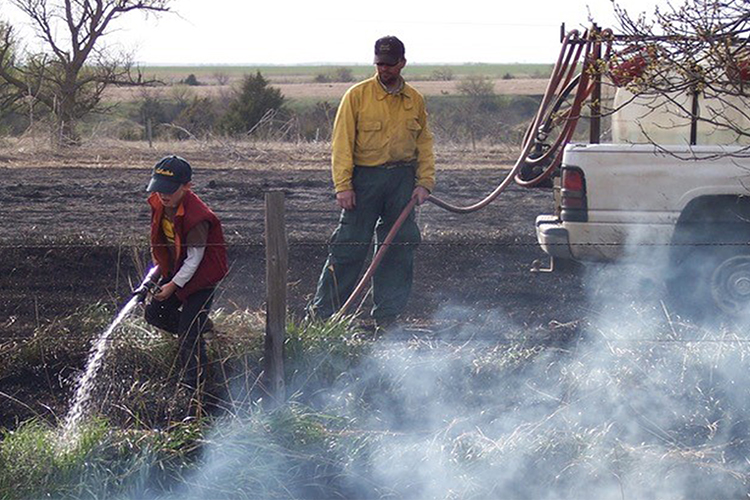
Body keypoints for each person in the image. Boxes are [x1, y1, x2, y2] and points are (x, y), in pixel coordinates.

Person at [310, 35, 435, 328]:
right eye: (379, 63)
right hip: (364, 180)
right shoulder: (357, 96)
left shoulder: (414, 99)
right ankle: (323, 316)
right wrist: (343, 185)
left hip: (402, 181)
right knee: (348, 247)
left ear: (402, 63)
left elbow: (424, 143)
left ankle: (387, 318)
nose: (384, 69)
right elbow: (341, 144)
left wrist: (424, 181)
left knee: (399, 247)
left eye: (390, 64)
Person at [143, 155, 228, 390]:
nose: (163, 194)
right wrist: (154, 278)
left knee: (188, 335)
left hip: (201, 278)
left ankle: (196, 388)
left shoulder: (197, 216)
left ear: (187, 187)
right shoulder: (162, 205)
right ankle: (203, 329)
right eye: (159, 188)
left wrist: (172, 286)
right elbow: (162, 246)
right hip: (177, 270)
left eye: (169, 190)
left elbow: (195, 259)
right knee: (154, 314)